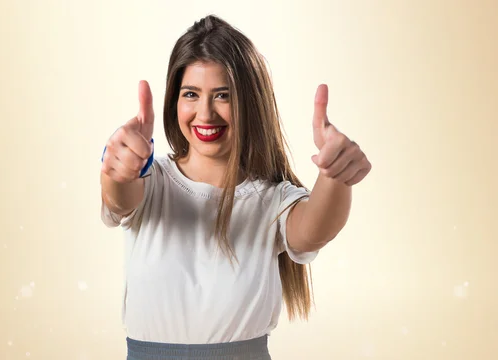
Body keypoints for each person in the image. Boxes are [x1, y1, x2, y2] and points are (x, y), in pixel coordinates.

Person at [100, 14, 371, 360]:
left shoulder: (271, 199)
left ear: (250, 101)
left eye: (223, 95)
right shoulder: (152, 181)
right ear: (174, 101)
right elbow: (119, 198)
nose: (206, 113)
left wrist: (335, 176)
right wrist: (118, 170)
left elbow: (312, 230)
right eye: (191, 94)